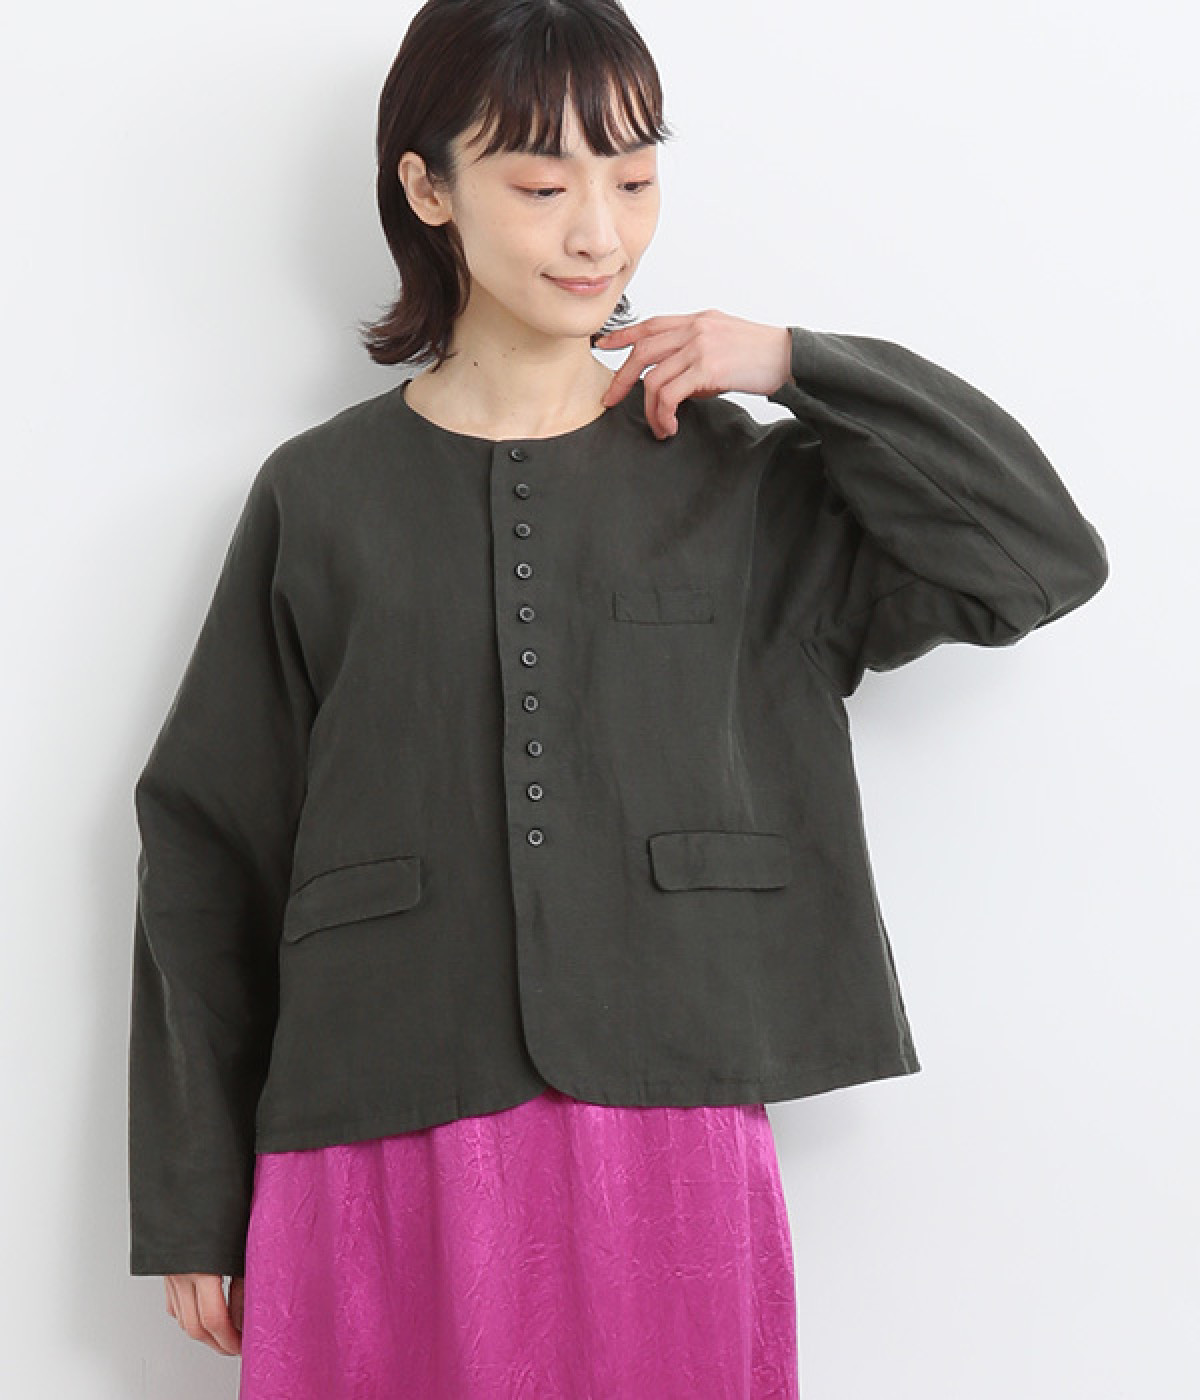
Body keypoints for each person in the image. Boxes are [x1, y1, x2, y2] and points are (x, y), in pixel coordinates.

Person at [127, 2, 1108, 1396]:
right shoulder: (318, 495)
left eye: (635, 180)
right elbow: (208, 836)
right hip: (370, 1119)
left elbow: (1036, 560)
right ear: (427, 188)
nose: (600, 233)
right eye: (542, 187)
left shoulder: (737, 482)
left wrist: (796, 364)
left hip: (666, 1116)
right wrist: (191, 1194)